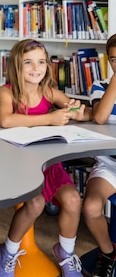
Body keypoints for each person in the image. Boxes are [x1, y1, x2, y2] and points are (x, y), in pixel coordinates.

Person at [0, 39, 91, 277]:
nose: (36, 68)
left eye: (41, 62)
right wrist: (49, 119)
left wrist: (78, 112)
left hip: (48, 164)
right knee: (35, 203)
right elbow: (6, 120)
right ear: (16, 65)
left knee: (72, 200)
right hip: (18, 164)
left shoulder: (48, 91)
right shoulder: (7, 92)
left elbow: (81, 112)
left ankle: (65, 253)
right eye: (28, 62)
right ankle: (8, 252)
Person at [82, 33, 116, 277]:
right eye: (114, 60)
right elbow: (100, 117)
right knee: (92, 207)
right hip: (109, 165)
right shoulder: (100, 86)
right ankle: (108, 253)